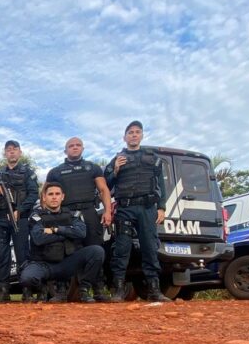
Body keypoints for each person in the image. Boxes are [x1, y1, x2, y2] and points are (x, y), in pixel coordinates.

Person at [104, 120, 171, 302]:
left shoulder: (152, 158)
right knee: (121, 249)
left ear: (141, 135)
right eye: (130, 132)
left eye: (137, 132)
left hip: (147, 208)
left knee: (150, 247)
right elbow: (105, 185)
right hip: (125, 208)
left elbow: (161, 184)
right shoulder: (117, 159)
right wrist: (115, 170)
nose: (134, 135)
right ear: (124, 137)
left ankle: (154, 290)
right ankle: (118, 290)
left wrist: (162, 207)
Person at [46, 137, 112, 301]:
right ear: (65, 150)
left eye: (78, 145)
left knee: (95, 249)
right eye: (71, 146)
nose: (74, 147)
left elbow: (104, 190)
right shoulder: (55, 172)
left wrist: (108, 211)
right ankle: (61, 291)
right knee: (63, 251)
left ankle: (96, 289)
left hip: (89, 212)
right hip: (66, 214)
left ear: (83, 148)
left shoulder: (93, 168)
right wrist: (48, 216)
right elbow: (45, 195)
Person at [20, 182, 104, 303]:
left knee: (97, 251)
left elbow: (81, 233)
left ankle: (84, 289)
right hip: (44, 264)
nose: (54, 197)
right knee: (27, 278)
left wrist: (55, 230)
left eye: (57, 194)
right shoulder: (36, 216)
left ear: (62, 196)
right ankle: (42, 288)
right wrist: (68, 234)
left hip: (67, 262)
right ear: (44, 197)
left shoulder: (72, 215)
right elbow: (39, 238)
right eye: (50, 194)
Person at [0, 140, 38, 302]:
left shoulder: (27, 172)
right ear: (5, 153)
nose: (12, 152)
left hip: (20, 219)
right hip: (1, 219)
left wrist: (19, 210)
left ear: (20, 153)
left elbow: (33, 194)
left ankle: (27, 291)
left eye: (15, 149)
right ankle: (3, 291)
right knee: (3, 255)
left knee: (23, 255)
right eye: (8, 150)